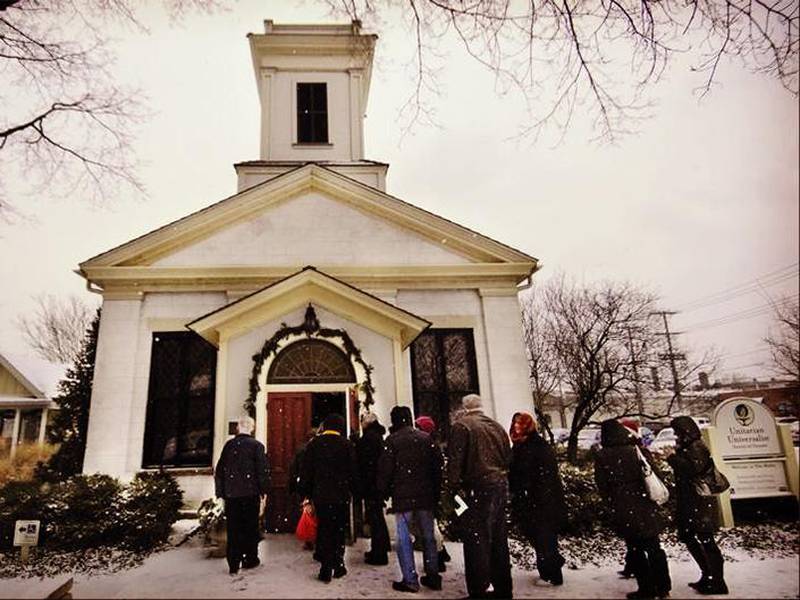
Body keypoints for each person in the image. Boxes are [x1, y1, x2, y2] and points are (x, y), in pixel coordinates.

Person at [594, 419, 671, 599]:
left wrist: (612, 503)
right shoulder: (637, 451)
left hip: (623, 507)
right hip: (645, 505)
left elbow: (602, 485)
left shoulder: (603, 456)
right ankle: (663, 587)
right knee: (654, 548)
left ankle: (646, 589)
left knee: (635, 549)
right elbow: (656, 475)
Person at [448, 394, 513, 599]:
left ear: (465, 408)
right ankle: (503, 587)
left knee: (476, 540)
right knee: (498, 538)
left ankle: (479, 588)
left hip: (476, 488)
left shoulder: (462, 427)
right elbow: (508, 458)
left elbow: (455, 463)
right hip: (499, 486)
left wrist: (454, 488)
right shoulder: (497, 427)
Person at [377, 406, 443, 593]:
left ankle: (410, 579)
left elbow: (385, 470)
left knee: (404, 538)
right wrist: (435, 492)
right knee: (428, 537)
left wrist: (383, 492)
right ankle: (433, 575)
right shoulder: (425, 439)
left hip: (403, 496)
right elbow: (437, 467)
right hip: (425, 496)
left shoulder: (392, 441)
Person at [667, 416, 728, 595]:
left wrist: (672, 458)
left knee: (706, 540)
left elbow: (693, 470)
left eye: (677, 431)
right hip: (692, 501)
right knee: (690, 536)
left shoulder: (696, 447)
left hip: (699, 502)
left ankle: (717, 581)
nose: (675, 434)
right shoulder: (690, 446)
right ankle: (708, 575)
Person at [508, 412, 567, 586]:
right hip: (534, 498)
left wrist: (523, 488)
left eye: (519, 424)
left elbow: (532, 473)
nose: (516, 427)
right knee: (539, 535)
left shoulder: (533, 446)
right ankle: (552, 565)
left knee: (543, 536)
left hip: (539, 499)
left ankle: (551, 573)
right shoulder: (524, 445)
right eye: (515, 423)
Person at [298, 413, 358, 583]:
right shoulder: (347, 445)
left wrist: (306, 495)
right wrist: (355, 491)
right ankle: (338, 564)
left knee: (324, 529)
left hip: (321, 496)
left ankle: (325, 567)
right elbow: (353, 472)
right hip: (341, 495)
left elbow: (306, 472)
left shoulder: (314, 445)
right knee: (339, 529)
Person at [214, 414, 270, 575]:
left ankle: (233, 562)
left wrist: (221, 492)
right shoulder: (257, 446)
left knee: (234, 529)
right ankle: (250, 558)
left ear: (238, 428)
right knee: (250, 527)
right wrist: (263, 490)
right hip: (250, 494)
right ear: (251, 428)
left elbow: (220, 470)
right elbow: (262, 471)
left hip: (232, 495)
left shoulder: (229, 446)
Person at [414, 415, 451, 573]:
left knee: (429, 527)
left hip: (426, 492)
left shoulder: (427, 446)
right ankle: (439, 554)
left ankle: (438, 556)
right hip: (429, 491)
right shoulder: (430, 446)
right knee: (427, 526)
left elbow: (433, 471)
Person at [356, 412, 390, 565]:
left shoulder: (368, 439)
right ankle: (381, 547)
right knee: (377, 518)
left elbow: (364, 462)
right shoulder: (377, 437)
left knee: (375, 518)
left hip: (371, 485)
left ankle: (379, 552)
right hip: (377, 484)